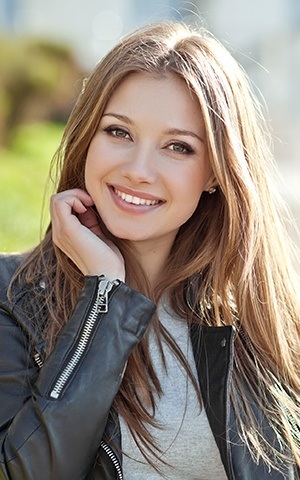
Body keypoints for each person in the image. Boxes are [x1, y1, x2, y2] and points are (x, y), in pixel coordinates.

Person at [0, 20, 299, 480]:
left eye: (178, 147)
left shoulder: (262, 318)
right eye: (118, 133)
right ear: (86, 138)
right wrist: (103, 295)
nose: (139, 170)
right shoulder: (10, 298)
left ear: (217, 172)